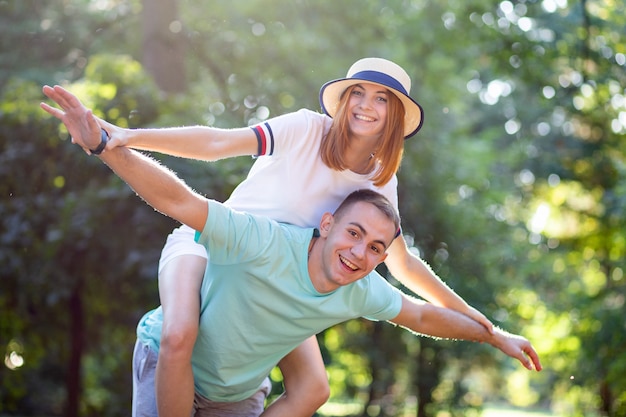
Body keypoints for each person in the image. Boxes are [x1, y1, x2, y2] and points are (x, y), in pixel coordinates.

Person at [42, 57, 495, 417]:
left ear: (395, 115)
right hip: (219, 242)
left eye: (381, 99)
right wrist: (123, 137)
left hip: (282, 273)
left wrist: (487, 327)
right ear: (344, 99)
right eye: (358, 92)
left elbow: (403, 266)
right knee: (179, 334)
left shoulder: (381, 182)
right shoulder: (305, 128)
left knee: (315, 388)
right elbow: (218, 144)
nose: (365, 104)